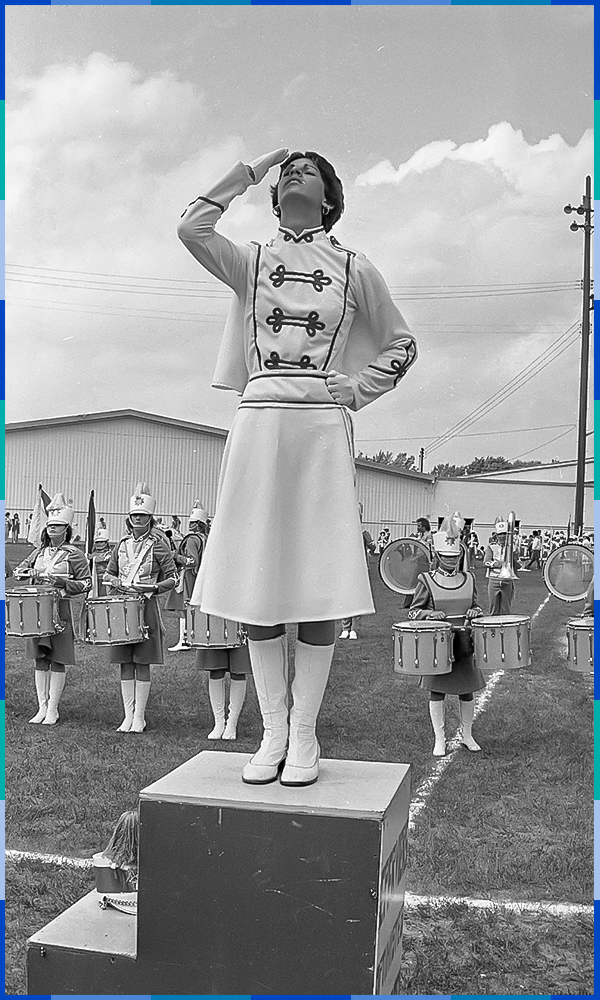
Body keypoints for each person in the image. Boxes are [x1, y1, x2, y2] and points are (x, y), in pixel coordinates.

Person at [179, 147, 417, 785]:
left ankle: (305, 734)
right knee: (258, 576)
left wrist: (358, 389)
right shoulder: (251, 259)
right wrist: (248, 171)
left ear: (331, 195)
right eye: (289, 169)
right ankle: (272, 731)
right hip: (259, 420)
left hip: (318, 426)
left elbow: (402, 342)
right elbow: (191, 228)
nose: (295, 173)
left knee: (315, 579)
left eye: (308, 169)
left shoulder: (352, 266)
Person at [408, 513, 485, 756]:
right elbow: (413, 612)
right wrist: (429, 615)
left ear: (460, 554)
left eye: (454, 557)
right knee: (437, 691)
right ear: (438, 555)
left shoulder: (469, 578)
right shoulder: (427, 580)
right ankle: (439, 739)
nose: (450, 561)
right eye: (446, 557)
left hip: (464, 642)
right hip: (438, 644)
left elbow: (477, 606)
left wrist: (475, 611)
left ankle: (467, 734)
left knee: (467, 689)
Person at [102, 483, 176, 733]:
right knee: (125, 662)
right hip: (122, 606)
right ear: (129, 518)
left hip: (145, 606)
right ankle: (127, 715)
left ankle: (140, 717)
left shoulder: (158, 545)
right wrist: (113, 581)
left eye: (142, 516)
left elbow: (173, 578)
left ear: (150, 518)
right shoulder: (121, 544)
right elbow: (109, 572)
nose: (138, 519)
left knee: (142, 661)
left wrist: (154, 588)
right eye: (134, 516)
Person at [14, 493, 92, 724]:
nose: (51, 530)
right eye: (49, 526)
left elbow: (87, 583)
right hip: (36, 611)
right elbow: (21, 569)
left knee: (57, 658)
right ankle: (42, 706)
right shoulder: (38, 552)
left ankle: (53, 708)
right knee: (40, 657)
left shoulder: (74, 554)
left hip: (60, 609)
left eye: (57, 526)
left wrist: (65, 583)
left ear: (66, 529)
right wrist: (24, 573)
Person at [167, 501, 209, 652]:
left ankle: (184, 640)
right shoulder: (204, 538)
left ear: (198, 524)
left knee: (183, 608)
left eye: (192, 523)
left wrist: (176, 556)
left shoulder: (192, 539)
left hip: (188, 576)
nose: (189, 525)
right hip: (197, 576)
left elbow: (192, 561)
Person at [339, 522, 377, 640]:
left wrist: (369, 541)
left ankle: (354, 629)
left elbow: (373, 548)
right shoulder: (344, 531)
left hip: (360, 568)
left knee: (356, 599)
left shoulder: (363, 532)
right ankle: (345, 628)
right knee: (346, 598)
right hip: (346, 567)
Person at [484, 516, 520, 614]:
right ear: (496, 535)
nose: (502, 536)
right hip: (494, 579)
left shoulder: (513, 547)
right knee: (493, 608)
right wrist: (496, 564)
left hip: (507, 580)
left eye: (504, 534)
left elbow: (518, 564)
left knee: (506, 609)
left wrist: (512, 559)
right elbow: (486, 562)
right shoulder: (492, 547)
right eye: (500, 534)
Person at [90, 528, 112, 597]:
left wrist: (93, 558)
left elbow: (104, 559)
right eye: (97, 542)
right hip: (94, 579)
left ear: (106, 542)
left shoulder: (110, 554)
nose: (99, 544)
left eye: (101, 542)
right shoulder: (92, 554)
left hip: (104, 580)